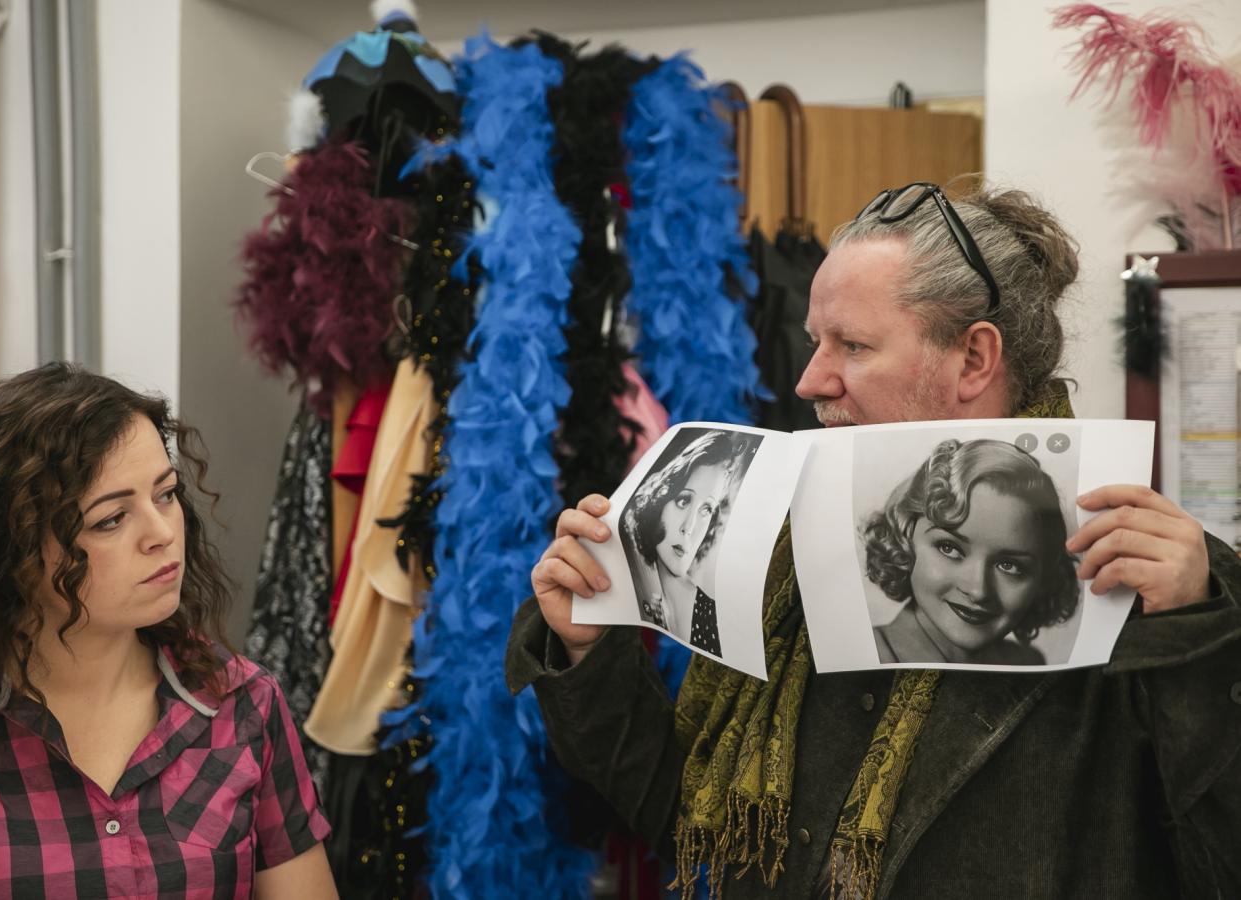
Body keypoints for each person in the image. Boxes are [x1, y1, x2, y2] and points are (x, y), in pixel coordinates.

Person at [508, 182, 1240, 899]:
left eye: (852, 345)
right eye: (815, 343)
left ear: (973, 359)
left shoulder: (1164, 580)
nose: (809, 381)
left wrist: (1197, 637)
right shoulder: (776, 543)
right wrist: (587, 652)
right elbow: (687, 823)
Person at [0, 363, 338, 899]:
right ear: (14, 549)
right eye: (111, 519)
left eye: (166, 494)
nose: (161, 533)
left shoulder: (242, 704)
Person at [862, 437, 1080, 665]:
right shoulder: (864, 657)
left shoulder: (1028, 662)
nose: (978, 590)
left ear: (1042, 580)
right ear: (904, 540)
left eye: (1009, 565)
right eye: (949, 549)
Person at [620, 429, 756, 656]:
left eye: (706, 509)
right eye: (683, 501)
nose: (689, 526)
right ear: (660, 500)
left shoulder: (715, 623)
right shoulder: (651, 604)